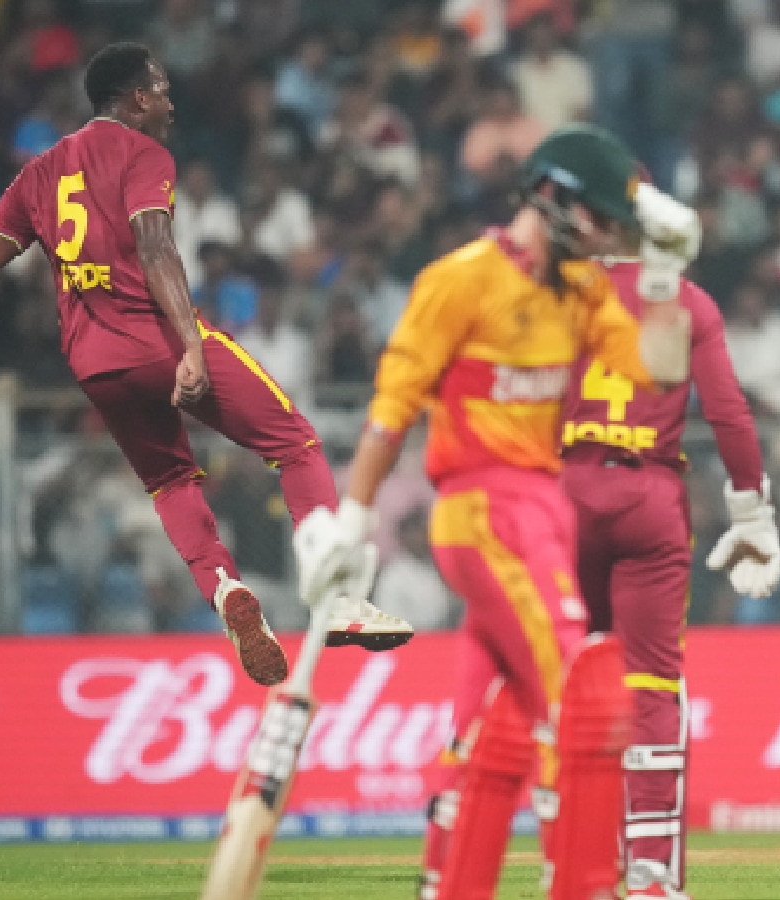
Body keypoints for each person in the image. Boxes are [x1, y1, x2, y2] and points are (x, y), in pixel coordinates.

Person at [0, 43, 408, 686]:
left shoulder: (42, 170)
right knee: (296, 443)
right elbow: (155, 244)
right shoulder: (142, 154)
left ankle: (224, 591)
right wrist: (190, 342)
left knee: (170, 482)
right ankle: (336, 600)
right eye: (160, 89)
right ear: (135, 97)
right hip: (158, 339)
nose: (168, 101)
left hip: (95, 364)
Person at [293, 124, 676, 900]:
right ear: (555, 198)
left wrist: (665, 271)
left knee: (493, 723)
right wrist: (353, 520)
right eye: (602, 219)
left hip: (544, 511)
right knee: (583, 696)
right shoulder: (459, 279)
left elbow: (660, 373)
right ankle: (586, 886)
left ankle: (451, 883)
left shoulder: (582, 290)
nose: (610, 240)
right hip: (482, 510)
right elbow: (393, 407)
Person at [560, 194, 780, 899]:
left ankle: (571, 857)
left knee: (565, 676)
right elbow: (727, 412)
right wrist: (751, 511)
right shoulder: (688, 303)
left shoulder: (563, 291)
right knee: (653, 682)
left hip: (561, 490)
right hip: (650, 494)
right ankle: (652, 869)